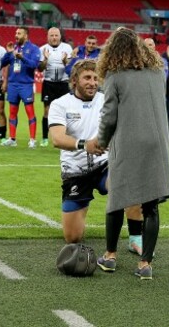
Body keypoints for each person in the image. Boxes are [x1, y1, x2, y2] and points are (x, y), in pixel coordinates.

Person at [90, 27, 169, 280]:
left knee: (117, 198)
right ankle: (145, 264)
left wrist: (101, 141)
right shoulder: (158, 72)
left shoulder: (115, 75)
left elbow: (109, 116)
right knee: (151, 204)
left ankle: (111, 256)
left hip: (128, 142)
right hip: (158, 142)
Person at [48, 60, 107, 243]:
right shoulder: (60, 104)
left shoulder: (106, 100)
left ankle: (136, 238)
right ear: (74, 80)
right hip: (76, 171)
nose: (93, 83)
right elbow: (57, 139)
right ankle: (82, 202)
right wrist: (85, 145)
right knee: (73, 238)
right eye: (87, 78)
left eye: (96, 78)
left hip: (104, 164)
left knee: (128, 187)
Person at [0, 26, 41, 148]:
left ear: (26, 35)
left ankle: (32, 140)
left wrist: (22, 57)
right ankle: (12, 139)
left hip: (26, 85)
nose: (16, 35)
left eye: (19, 33)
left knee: (30, 112)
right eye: (16, 33)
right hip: (13, 84)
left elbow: (34, 65)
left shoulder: (33, 49)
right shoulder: (13, 49)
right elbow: (2, 64)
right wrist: (8, 53)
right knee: (12, 112)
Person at [38, 27, 72, 147]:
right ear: (48, 37)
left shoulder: (67, 48)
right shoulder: (42, 49)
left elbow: (70, 67)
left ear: (60, 36)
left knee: (66, 111)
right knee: (47, 111)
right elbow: (40, 68)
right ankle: (44, 138)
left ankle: (65, 137)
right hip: (49, 83)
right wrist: (46, 59)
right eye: (51, 35)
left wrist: (64, 61)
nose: (54, 38)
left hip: (63, 84)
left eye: (56, 35)